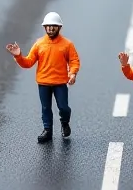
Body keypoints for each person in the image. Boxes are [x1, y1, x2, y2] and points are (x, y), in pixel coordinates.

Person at [6, 11, 80, 143]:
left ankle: (64, 122)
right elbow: (28, 62)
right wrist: (18, 56)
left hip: (60, 82)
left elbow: (74, 60)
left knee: (63, 107)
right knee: (45, 108)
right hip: (44, 83)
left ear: (59, 27)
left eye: (54, 26)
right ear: (44, 27)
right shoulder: (39, 44)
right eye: (48, 26)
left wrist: (72, 73)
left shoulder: (67, 44)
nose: (51, 29)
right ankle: (47, 130)